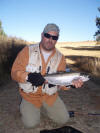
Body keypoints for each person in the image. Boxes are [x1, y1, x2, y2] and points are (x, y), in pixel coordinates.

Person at [11, 23, 83, 128]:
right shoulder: (27, 51)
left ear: (57, 39)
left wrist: (70, 84)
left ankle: (43, 109)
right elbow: (14, 73)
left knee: (63, 119)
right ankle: (27, 107)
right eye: (47, 35)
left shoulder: (60, 57)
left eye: (54, 37)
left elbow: (62, 84)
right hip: (30, 96)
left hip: (50, 96)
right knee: (30, 124)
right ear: (42, 35)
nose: (50, 39)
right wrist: (28, 77)